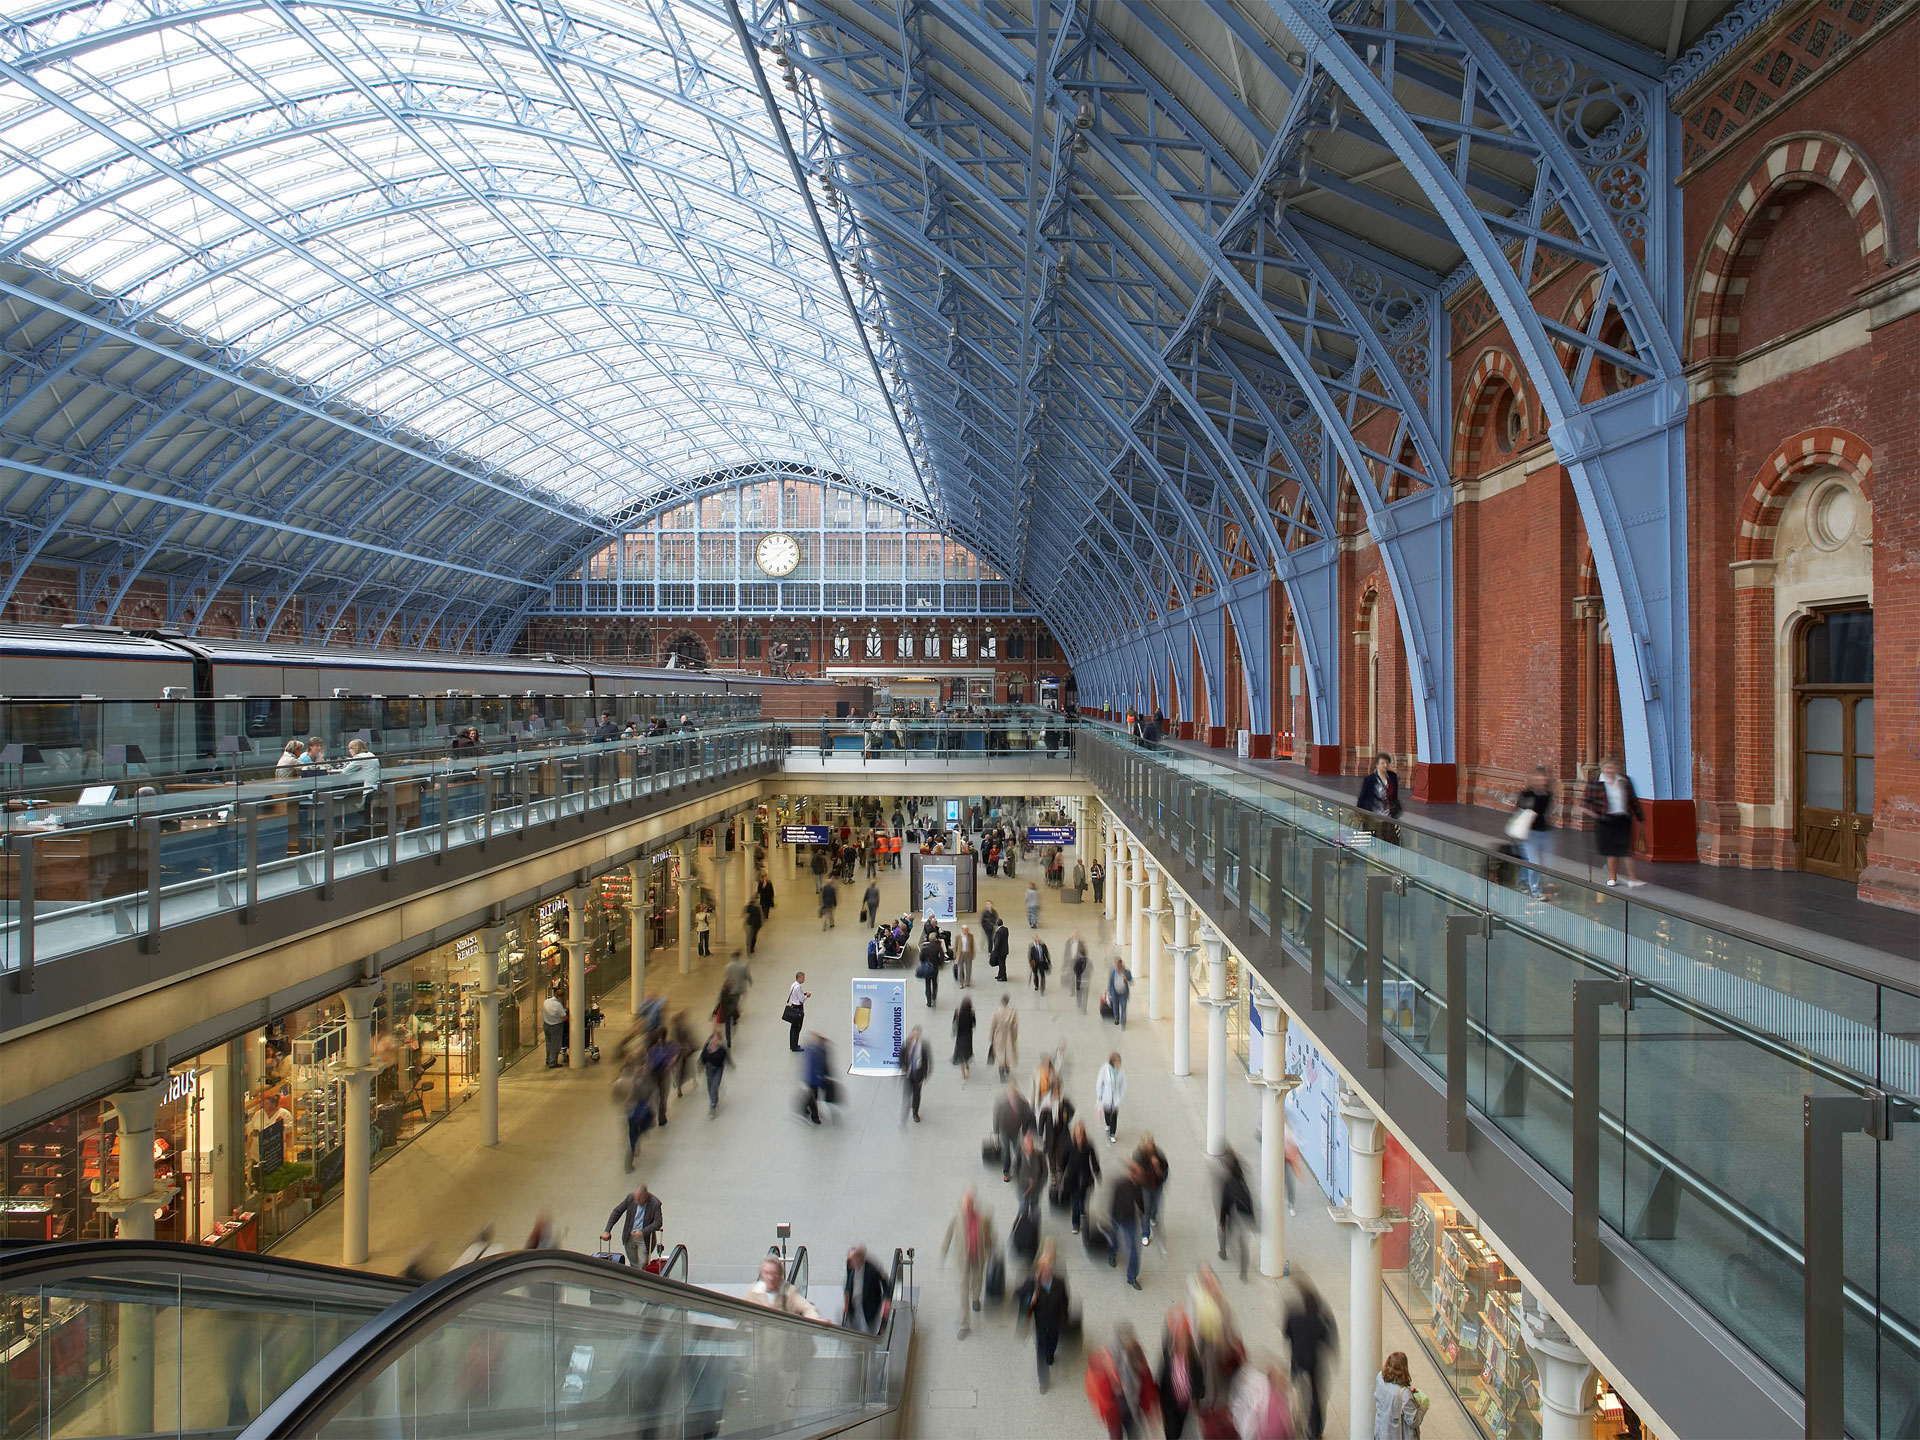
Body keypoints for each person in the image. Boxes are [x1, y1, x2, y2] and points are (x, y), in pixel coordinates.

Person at [1284, 1278, 1338, 1440]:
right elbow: (1328, 1340)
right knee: (1316, 1397)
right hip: (1314, 1362)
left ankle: (1294, 1423)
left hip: (1298, 1360)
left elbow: (1286, 1335)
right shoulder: (1320, 1320)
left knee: (1294, 1393)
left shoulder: (1293, 1315)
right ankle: (1315, 1431)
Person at [941, 1186, 996, 1339]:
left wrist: (992, 1251)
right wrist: (943, 1252)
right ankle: (965, 1324)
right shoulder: (955, 1217)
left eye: (969, 1204)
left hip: (978, 1256)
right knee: (963, 1289)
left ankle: (976, 1297)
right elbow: (947, 1236)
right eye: (964, 1204)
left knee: (977, 1280)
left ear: (973, 1204)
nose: (967, 1207)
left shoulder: (983, 1217)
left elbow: (990, 1236)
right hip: (962, 1259)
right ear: (961, 1204)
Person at [1584, 757, 1645, 888]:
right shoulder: (1596, 782)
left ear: (1618, 769)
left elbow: (1632, 799)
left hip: (1623, 819)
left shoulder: (1624, 781)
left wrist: (1640, 816)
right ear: (1602, 768)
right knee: (1611, 850)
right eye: (1607, 768)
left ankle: (1633, 878)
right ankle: (1612, 877)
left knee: (1625, 849)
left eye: (1612, 768)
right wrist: (1595, 815)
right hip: (1605, 820)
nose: (1610, 771)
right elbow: (1586, 802)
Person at [1025, 1240, 1072, 1393]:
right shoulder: (1033, 1285)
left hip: (1055, 1321)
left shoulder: (1059, 1282)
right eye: (1043, 1270)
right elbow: (1021, 1300)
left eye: (1048, 1269)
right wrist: (1031, 1301)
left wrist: (1065, 1316)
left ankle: (1050, 1355)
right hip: (1040, 1324)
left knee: (1053, 1342)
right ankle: (1043, 1381)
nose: (1046, 1272)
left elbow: (1065, 1299)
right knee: (1040, 1352)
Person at [1158, 1306, 1206, 1440]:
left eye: (1185, 1341)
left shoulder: (1194, 1360)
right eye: (1179, 1341)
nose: (1183, 1346)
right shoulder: (1168, 1357)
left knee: (1180, 1424)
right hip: (1170, 1402)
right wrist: (1160, 1405)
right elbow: (1162, 1380)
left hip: (1184, 1403)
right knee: (1171, 1431)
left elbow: (1198, 1378)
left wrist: (1196, 1399)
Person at [1513, 765, 1556, 899]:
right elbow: (1520, 810)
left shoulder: (1548, 794)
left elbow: (1546, 811)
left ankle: (1521, 883)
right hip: (1529, 831)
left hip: (1543, 831)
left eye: (1543, 776)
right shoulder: (1527, 793)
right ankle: (1535, 890)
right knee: (1534, 862)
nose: (1541, 779)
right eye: (1538, 776)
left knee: (1533, 859)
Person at [1215, 1147, 1255, 1280]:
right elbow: (1248, 1197)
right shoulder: (1241, 1179)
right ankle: (1243, 1272)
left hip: (1234, 1213)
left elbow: (1224, 1202)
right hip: (1244, 1212)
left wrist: (1221, 1219)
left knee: (1224, 1230)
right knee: (1243, 1242)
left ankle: (1223, 1251)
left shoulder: (1227, 1182)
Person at [600, 1183, 663, 1267]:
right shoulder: (630, 1198)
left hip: (644, 1239)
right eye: (635, 1199)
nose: (636, 1201)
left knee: (642, 1263)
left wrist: (642, 1232)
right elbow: (617, 1212)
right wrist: (607, 1230)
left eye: (639, 1199)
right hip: (629, 1237)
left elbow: (658, 1222)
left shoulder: (655, 1203)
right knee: (633, 1263)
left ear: (645, 1196)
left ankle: (641, 1276)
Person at [1107, 1160, 1146, 1289]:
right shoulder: (1121, 1184)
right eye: (1139, 1175)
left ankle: (1132, 1277)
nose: (1141, 1177)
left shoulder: (1138, 1185)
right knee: (1113, 1238)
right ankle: (1112, 1254)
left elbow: (1139, 1199)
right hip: (1117, 1217)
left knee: (1133, 1249)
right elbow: (1113, 1201)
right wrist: (1112, 1217)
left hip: (1130, 1220)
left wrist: (1142, 1211)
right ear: (1133, 1174)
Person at [1373, 1352, 1430, 1440]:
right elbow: (1414, 1421)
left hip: (1380, 1433)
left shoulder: (1380, 1377)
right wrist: (1423, 1407)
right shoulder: (1404, 1395)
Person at [1060, 1117, 1102, 1234]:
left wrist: (1097, 1172)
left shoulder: (1088, 1145)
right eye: (1077, 1132)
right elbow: (1063, 1160)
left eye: (1081, 1132)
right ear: (1074, 1132)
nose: (1079, 1134)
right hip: (1072, 1177)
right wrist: (1061, 1174)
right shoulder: (1069, 1145)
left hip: (1085, 1176)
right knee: (1075, 1201)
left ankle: (1083, 1208)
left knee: (1083, 1197)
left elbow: (1093, 1160)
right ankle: (1076, 1223)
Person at [747, 1255, 821, 1318]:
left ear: (780, 1275)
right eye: (767, 1273)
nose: (771, 1278)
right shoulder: (753, 1292)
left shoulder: (789, 1292)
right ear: (762, 1275)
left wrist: (815, 1319)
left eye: (774, 1274)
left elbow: (807, 1308)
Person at [843, 1243, 893, 1334]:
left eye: (851, 1259)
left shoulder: (872, 1270)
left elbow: (886, 1283)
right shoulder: (850, 1265)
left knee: (869, 1330)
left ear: (859, 1259)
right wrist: (847, 1296)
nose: (849, 1261)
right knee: (853, 1329)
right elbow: (848, 1281)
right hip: (854, 1305)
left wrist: (886, 1300)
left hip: (869, 1306)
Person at [1357, 752, 1403, 844]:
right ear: (1377, 765)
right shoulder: (1369, 780)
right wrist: (1359, 812)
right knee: (1375, 841)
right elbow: (1363, 797)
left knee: (1389, 841)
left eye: (1387, 763)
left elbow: (1394, 796)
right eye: (1382, 763)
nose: (1385, 765)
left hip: (1388, 816)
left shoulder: (1392, 777)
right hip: (1373, 816)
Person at [1134, 1132, 1169, 1246]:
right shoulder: (1139, 1156)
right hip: (1145, 1186)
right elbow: (1136, 1173)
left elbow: (1165, 1170)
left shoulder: (1158, 1154)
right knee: (1146, 1210)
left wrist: (1157, 1167)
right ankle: (1145, 1233)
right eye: (1148, 1145)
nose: (1151, 1147)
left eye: (1152, 1144)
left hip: (1157, 1185)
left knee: (1156, 1206)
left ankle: (1153, 1217)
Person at [900, 1026, 932, 1122]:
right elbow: (901, 1056)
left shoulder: (923, 1047)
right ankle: (907, 1107)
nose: (915, 1036)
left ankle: (915, 1113)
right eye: (914, 1034)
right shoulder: (907, 1045)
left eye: (917, 1035)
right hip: (908, 1074)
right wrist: (903, 1067)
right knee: (907, 1093)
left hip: (918, 1075)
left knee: (917, 1095)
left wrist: (924, 1078)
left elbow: (926, 1063)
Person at [699, 1020, 731, 1113]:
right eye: (714, 1038)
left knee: (714, 1085)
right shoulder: (707, 1047)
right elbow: (703, 1056)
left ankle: (713, 1103)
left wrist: (731, 1065)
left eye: (717, 1039)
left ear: (719, 1040)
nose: (715, 1041)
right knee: (709, 1086)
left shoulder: (721, 1049)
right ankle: (714, 1099)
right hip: (709, 1069)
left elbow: (727, 1057)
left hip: (718, 1069)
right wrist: (701, 1065)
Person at [1095, 1051, 1127, 1142]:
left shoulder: (1121, 1072)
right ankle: (1107, 1123)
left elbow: (1123, 1084)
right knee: (1107, 1113)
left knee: (1114, 1115)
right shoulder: (1105, 1069)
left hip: (1116, 1098)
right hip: (1106, 1096)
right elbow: (1099, 1083)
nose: (1118, 1064)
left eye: (1119, 1062)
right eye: (1116, 1062)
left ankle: (1112, 1134)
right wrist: (1099, 1095)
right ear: (1112, 1062)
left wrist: (1121, 1096)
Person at [989, 997, 1019, 1083]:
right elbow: (1015, 1026)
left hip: (999, 1035)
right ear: (1008, 1002)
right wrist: (1015, 1037)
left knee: (1000, 1054)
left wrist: (991, 1037)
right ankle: (1007, 1068)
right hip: (1008, 1035)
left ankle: (1001, 1074)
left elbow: (993, 1026)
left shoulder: (996, 1012)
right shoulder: (1012, 1013)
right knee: (1008, 1052)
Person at [951, 995, 977, 1081]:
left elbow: (954, 1023)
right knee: (967, 1052)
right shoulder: (971, 1013)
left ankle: (963, 1073)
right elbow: (973, 1024)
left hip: (960, 1035)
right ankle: (967, 1065)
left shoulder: (957, 1012)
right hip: (968, 1036)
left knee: (960, 1053)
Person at [541, 986, 568, 1068]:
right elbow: (564, 1018)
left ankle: (548, 1059)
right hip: (555, 1027)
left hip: (546, 1025)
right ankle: (553, 1062)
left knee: (548, 1044)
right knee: (555, 1045)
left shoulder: (546, 1001)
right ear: (560, 997)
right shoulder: (558, 1005)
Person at [784, 972, 811, 1052]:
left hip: (793, 1006)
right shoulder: (798, 987)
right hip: (798, 1008)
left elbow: (796, 995)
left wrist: (803, 994)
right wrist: (807, 996)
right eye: (803, 978)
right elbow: (801, 999)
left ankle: (792, 1044)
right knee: (797, 1027)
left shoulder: (793, 985)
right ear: (799, 978)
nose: (804, 979)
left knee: (793, 1027)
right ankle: (795, 1046)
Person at [1065, 932, 1090, 1010]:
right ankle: (1073, 991)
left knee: (1078, 977)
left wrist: (1084, 961)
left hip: (1078, 962)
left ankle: (1078, 988)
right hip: (1071, 961)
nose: (1075, 936)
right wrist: (1065, 962)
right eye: (1074, 935)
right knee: (1072, 976)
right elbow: (1066, 953)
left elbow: (1085, 952)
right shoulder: (1069, 942)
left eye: (1076, 935)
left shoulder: (1081, 943)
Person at [1107, 957, 1133, 1029]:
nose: (1119, 966)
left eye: (1120, 964)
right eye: (1117, 965)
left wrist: (1126, 979)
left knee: (1124, 1007)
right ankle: (1116, 1018)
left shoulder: (1126, 972)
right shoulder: (1113, 972)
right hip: (1115, 992)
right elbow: (1110, 982)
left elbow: (1131, 979)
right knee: (1115, 1005)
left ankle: (1123, 1022)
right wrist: (1109, 992)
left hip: (1123, 993)